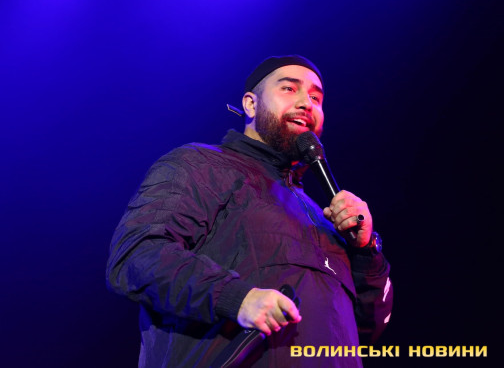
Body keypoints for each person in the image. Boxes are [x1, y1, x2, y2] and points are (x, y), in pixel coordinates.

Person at [106, 55, 393, 367]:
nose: (306, 104)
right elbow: (137, 255)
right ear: (251, 104)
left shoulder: (324, 220)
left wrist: (366, 251)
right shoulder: (201, 165)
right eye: (289, 89)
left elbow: (365, 331)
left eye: (316, 98)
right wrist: (235, 297)